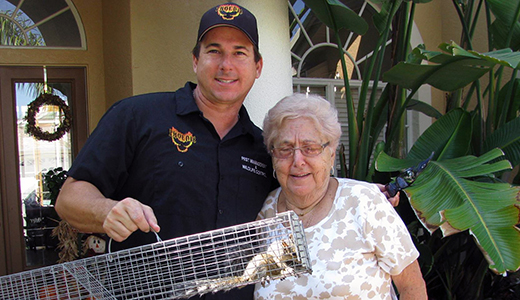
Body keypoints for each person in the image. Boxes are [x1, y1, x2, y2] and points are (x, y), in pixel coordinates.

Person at [56, 2, 399, 299]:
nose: (226, 65)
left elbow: (305, 196)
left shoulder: (264, 148)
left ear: (257, 67)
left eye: (240, 53)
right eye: (214, 50)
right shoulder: (136, 117)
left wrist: (361, 197)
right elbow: (69, 199)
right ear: (195, 60)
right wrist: (107, 211)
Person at [254, 93, 427, 300]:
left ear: (331, 153)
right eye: (285, 149)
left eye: (310, 148)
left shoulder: (365, 202)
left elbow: (412, 287)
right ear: (273, 155)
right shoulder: (265, 212)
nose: (298, 160)